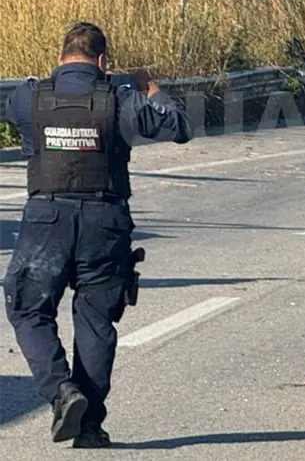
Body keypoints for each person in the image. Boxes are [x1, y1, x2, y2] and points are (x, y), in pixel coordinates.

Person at [3, 23, 194, 448]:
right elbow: (180, 127)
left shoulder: (28, 97)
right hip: (104, 225)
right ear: (104, 61)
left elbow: (19, 113)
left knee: (29, 310)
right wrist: (151, 89)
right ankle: (89, 427)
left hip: (46, 223)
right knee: (94, 322)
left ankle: (61, 391)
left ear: (60, 56)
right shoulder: (121, 101)